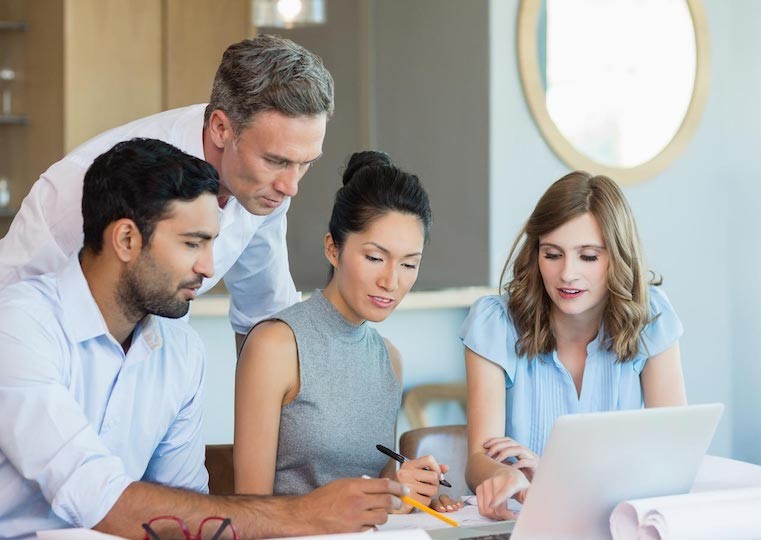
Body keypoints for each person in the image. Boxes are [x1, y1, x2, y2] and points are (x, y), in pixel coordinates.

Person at [0, 139, 405, 540]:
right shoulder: (19, 325)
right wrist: (307, 513)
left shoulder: (180, 352)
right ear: (126, 240)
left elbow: (189, 509)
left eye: (212, 243)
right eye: (192, 243)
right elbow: (97, 498)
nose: (208, 268)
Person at [0, 34, 334, 350]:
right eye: (276, 161)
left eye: (305, 164)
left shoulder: (265, 186)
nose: (291, 187)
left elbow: (264, 318)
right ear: (221, 128)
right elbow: (10, 310)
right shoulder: (85, 186)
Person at [233, 151, 461, 514]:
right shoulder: (276, 345)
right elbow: (252, 510)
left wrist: (414, 497)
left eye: (409, 264)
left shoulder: (388, 359)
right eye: (374, 257)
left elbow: (379, 486)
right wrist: (384, 495)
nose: (391, 281)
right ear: (333, 249)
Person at [462, 172, 688, 520]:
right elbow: (479, 459)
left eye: (588, 257)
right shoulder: (495, 324)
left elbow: (674, 455)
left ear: (617, 257)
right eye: (552, 254)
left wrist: (554, 475)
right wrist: (502, 474)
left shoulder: (650, 318)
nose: (567, 274)